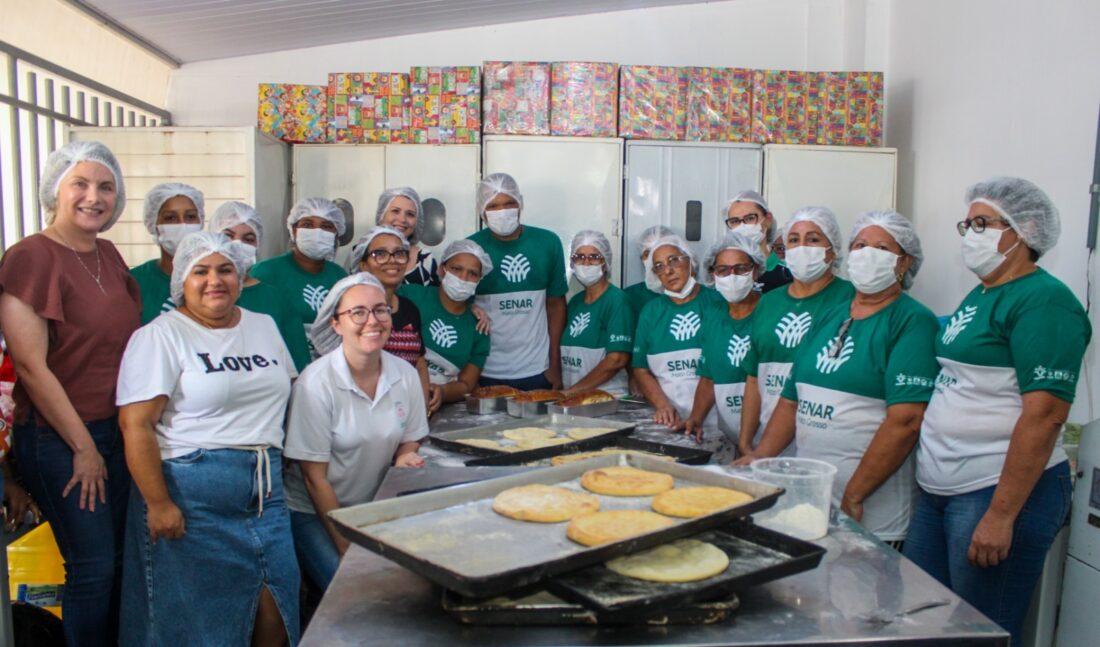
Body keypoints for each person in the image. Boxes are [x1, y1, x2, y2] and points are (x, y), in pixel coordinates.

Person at [903, 178, 1089, 645]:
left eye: (983, 223)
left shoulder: (1045, 301)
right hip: (940, 487)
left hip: (992, 493)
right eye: (967, 224)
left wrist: (1002, 515)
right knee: (924, 622)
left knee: (977, 633)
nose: (970, 234)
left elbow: (1045, 415)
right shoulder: (983, 294)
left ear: (1025, 229)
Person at [116, 232, 299, 645]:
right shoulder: (160, 336)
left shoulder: (263, 326)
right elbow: (136, 425)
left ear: (239, 276)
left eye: (224, 270)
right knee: (197, 625)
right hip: (190, 499)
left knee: (276, 610)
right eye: (200, 271)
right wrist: (159, 504)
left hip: (265, 494)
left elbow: (286, 392)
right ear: (182, 279)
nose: (214, 280)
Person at [0, 140, 139, 645]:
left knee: (121, 560)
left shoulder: (108, 253)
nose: (93, 197)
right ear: (55, 189)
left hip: (115, 430)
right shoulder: (30, 257)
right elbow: (33, 369)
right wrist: (83, 448)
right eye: (79, 183)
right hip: (60, 438)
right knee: (94, 566)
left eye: (106, 186)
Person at [739, 211, 939, 547]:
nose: (866, 253)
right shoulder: (833, 314)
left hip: (872, 512)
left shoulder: (912, 321)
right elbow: (791, 399)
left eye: (881, 248)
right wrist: (760, 457)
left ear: (904, 263)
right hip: (815, 502)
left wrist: (855, 495)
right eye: (860, 245)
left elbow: (905, 421)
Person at [284, 273, 428, 590]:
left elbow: (410, 439)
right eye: (358, 312)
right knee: (353, 591)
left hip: (373, 506)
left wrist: (406, 458)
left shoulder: (404, 374)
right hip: (317, 512)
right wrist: (346, 546)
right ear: (336, 324)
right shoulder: (316, 383)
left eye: (381, 310)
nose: (372, 320)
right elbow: (313, 478)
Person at [739, 207, 855, 457]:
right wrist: (746, 441)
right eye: (793, 240)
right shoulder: (769, 302)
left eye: (813, 240)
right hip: (768, 444)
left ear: (832, 249)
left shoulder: (851, 299)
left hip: (826, 445)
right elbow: (753, 377)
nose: (802, 247)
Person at [468, 173, 568, 390]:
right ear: (481, 212)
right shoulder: (470, 249)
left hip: (537, 369)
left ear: (520, 204)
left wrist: (554, 364)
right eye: (493, 206)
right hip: (485, 369)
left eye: (509, 203)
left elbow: (556, 305)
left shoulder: (548, 243)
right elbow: (456, 304)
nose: (502, 211)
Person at [682, 231, 765, 463]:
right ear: (712, 274)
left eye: (741, 269)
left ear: (755, 270)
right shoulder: (715, 316)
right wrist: (696, 418)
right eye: (723, 270)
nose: (732, 276)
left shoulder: (770, 312)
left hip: (772, 436)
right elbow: (709, 377)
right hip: (734, 435)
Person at [631, 234, 725, 435]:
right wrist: (662, 405)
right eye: (659, 266)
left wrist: (696, 417)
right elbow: (640, 368)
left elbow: (719, 368)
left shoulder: (717, 304)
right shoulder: (651, 312)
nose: (668, 270)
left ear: (690, 261)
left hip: (717, 422)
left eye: (674, 260)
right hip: (670, 422)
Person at [210, 200, 311, 371]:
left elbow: (299, 365)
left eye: (248, 239)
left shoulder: (277, 300)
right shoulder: (204, 297)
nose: (237, 244)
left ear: (257, 244)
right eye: (228, 236)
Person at [399, 240, 492, 415]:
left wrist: (441, 392)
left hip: (432, 410)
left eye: (472, 273)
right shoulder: (412, 296)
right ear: (442, 269)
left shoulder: (479, 327)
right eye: (456, 269)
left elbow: (466, 384)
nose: (463, 278)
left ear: (479, 280)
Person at [250, 197, 348, 355]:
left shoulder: (340, 277)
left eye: (326, 226)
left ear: (336, 235)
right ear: (294, 230)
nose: (317, 232)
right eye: (308, 225)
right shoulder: (266, 272)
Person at [347, 227, 430, 399]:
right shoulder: (354, 311)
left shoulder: (410, 309)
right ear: (363, 265)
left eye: (399, 254)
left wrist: (422, 410)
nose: (392, 261)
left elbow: (419, 364)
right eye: (380, 254)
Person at [560, 230, 634, 396]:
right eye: (579, 257)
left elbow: (617, 359)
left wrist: (572, 392)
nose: (586, 263)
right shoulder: (575, 302)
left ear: (605, 262)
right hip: (574, 396)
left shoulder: (617, 301)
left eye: (594, 257)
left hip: (606, 397)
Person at [130, 183, 205, 324]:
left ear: (200, 221)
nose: (182, 225)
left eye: (190, 217)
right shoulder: (136, 282)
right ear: (153, 224)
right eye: (170, 218)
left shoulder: (213, 279)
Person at [722, 190, 791, 293]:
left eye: (750, 218)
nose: (743, 226)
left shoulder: (786, 274)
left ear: (767, 219)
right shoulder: (724, 273)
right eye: (735, 221)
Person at [374, 186, 439, 286]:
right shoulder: (361, 253)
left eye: (410, 214)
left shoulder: (425, 259)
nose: (403, 219)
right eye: (395, 211)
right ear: (381, 215)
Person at [623, 225, 675, 323]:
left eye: (659, 251)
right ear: (642, 258)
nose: (654, 259)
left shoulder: (685, 295)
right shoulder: (628, 297)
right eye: (648, 253)